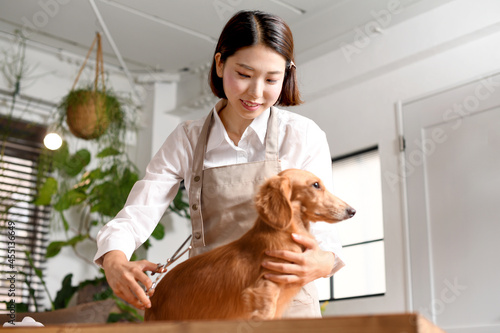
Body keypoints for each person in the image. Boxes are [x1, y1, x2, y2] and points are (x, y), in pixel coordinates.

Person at [94, 10, 344, 318]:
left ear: (286, 74)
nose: (255, 92)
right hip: (210, 304)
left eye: (271, 79)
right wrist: (115, 260)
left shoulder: (302, 136)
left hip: (285, 306)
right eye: (243, 74)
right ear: (219, 63)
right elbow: (137, 214)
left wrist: (323, 262)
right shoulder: (188, 138)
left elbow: (326, 233)